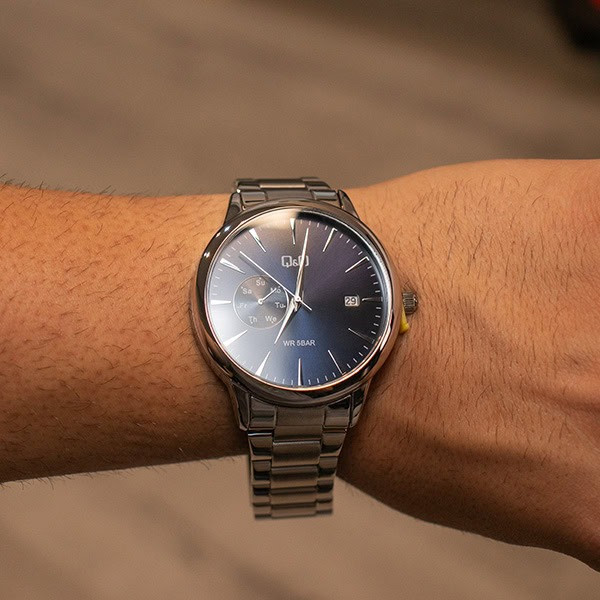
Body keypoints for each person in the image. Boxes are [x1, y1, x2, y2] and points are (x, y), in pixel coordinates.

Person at [0, 159, 598, 570]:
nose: (296, 303)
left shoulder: (377, 307)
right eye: (287, 296)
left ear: (400, 308)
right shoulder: (230, 284)